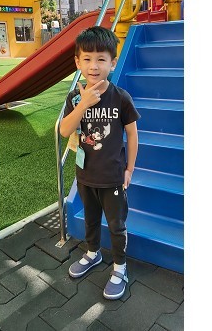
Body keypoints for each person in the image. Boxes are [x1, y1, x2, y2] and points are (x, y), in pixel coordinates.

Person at [59, 26, 140, 300]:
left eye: (101, 59)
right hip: (85, 176)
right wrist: (83, 104)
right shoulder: (74, 98)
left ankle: (120, 267)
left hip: (113, 178)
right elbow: (64, 130)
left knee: (116, 225)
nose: (94, 66)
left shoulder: (121, 98)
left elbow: (132, 134)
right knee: (91, 220)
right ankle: (93, 253)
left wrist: (129, 169)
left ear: (113, 63)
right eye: (87, 59)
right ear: (77, 62)